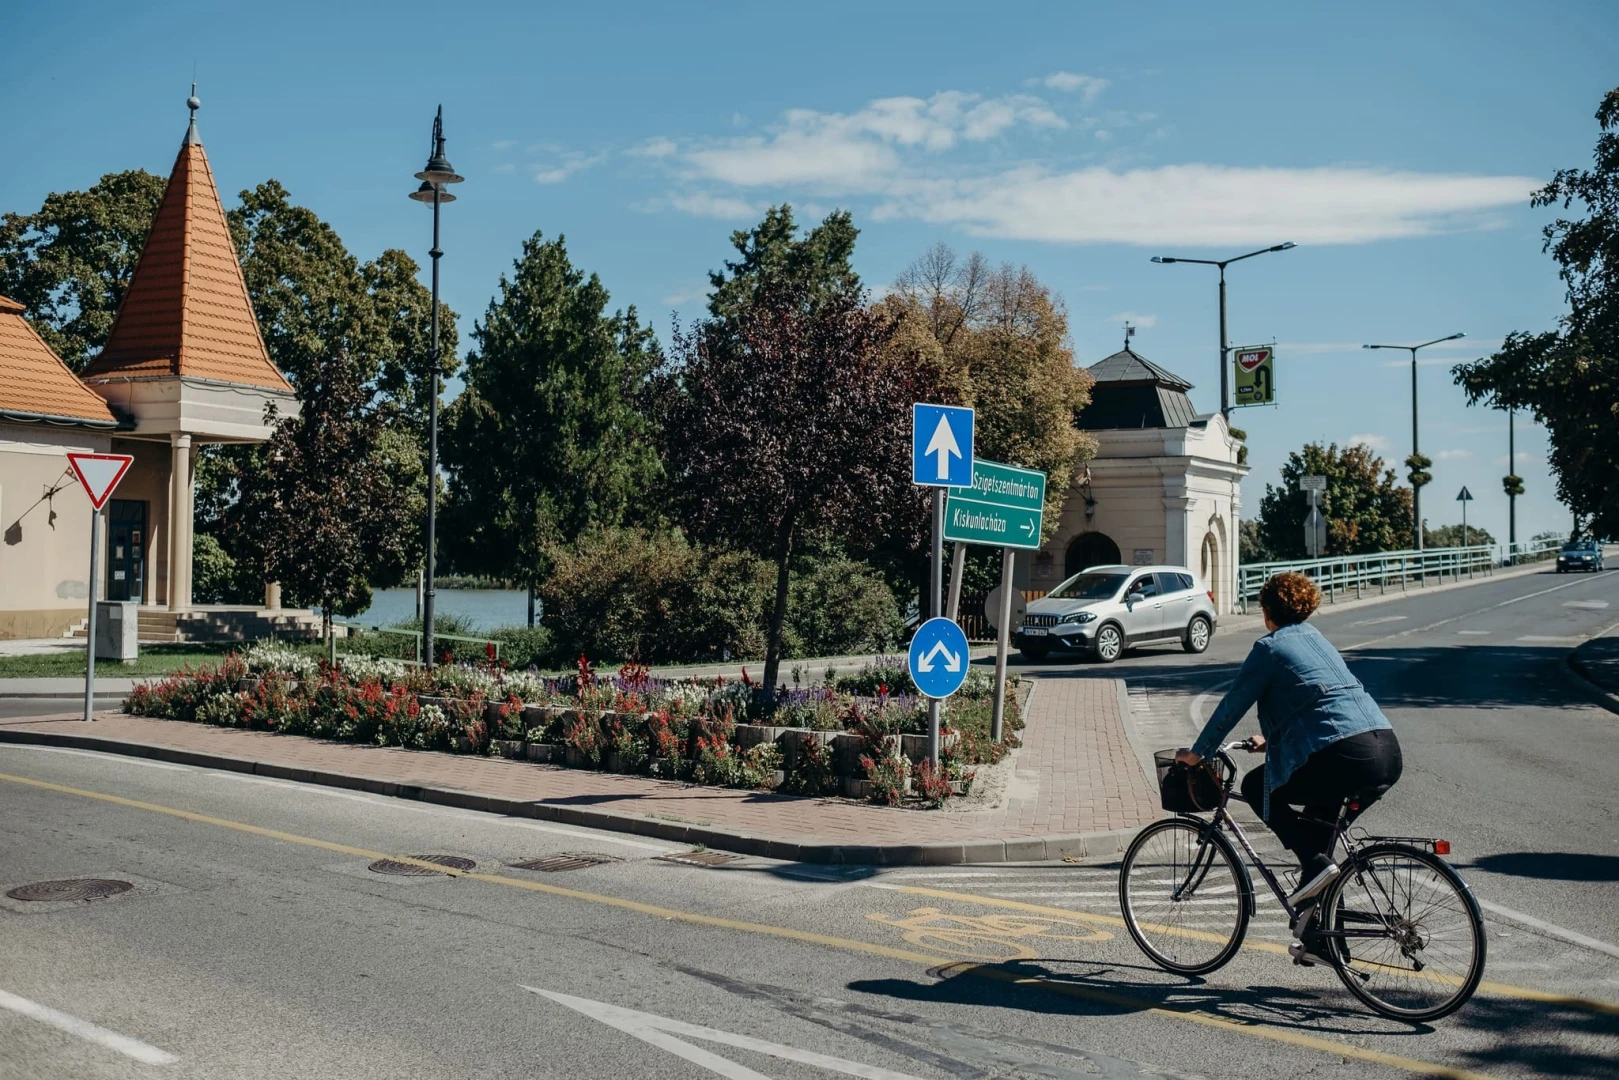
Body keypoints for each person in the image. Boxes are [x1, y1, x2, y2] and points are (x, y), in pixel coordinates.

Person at [1177, 571, 1402, 909]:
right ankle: (1322, 938)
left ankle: (1315, 866)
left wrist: (1199, 754)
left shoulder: (1269, 648)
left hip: (1345, 755)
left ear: (1266, 611)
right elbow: (1321, 702)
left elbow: (1231, 706)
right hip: (1385, 749)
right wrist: (1271, 740)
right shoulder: (1316, 638)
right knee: (1315, 836)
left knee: (1256, 787)